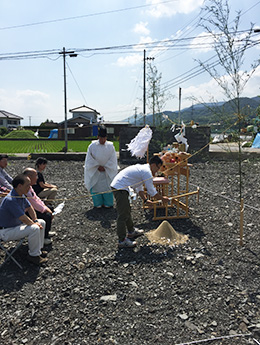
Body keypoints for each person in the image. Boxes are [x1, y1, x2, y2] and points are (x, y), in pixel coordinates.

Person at [111, 155, 169, 248]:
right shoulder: (147, 172)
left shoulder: (143, 169)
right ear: (153, 164)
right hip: (120, 187)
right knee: (123, 214)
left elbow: (139, 187)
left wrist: (145, 200)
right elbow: (152, 191)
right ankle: (122, 240)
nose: (157, 171)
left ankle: (131, 231)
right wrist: (163, 199)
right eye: (158, 167)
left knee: (127, 210)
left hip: (121, 187)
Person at [0, 174, 48, 265]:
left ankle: (38, 250)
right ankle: (34, 256)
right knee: (34, 228)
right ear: (19, 186)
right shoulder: (11, 199)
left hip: (15, 226)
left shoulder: (20, 195)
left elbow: (30, 208)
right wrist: (34, 224)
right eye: (27, 185)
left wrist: (35, 220)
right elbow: (23, 218)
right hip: (5, 231)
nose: (30, 188)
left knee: (41, 222)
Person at [84, 125, 118, 208]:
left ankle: (108, 203)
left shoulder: (110, 146)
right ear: (98, 137)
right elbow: (89, 159)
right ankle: (98, 203)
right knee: (96, 188)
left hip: (107, 171)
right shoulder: (92, 146)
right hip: (96, 170)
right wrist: (97, 166)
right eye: (101, 138)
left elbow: (113, 159)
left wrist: (106, 167)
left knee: (107, 188)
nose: (103, 140)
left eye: (104, 138)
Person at [23, 168, 54, 246]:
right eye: (35, 176)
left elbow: (36, 198)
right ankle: (43, 237)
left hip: (32, 208)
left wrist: (45, 206)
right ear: (29, 177)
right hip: (25, 212)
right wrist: (44, 209)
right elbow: (32, 203)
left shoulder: (29, 186)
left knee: (50, 208)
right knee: (47, 215)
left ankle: (46, 231)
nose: (37, 178)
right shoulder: (24, 188)